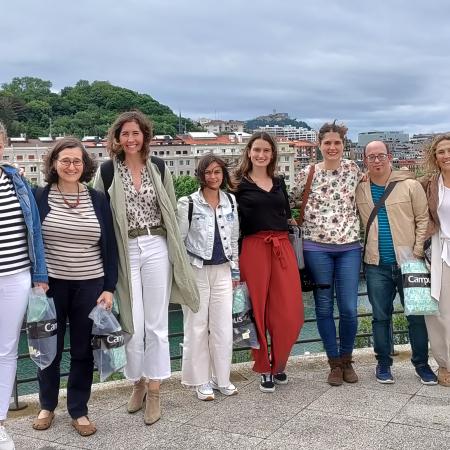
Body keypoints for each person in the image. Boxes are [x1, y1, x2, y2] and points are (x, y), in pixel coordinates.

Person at [93, 110, 199, 424]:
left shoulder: (160, 168)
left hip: (156, 244)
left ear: (145, 136)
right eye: (124, 134)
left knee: (156, 324)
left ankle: (154, 389)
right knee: (133, 323)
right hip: (125, 249)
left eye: (135, 133)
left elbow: (170, 208)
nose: (130, 139)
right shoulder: (108, 171)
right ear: (117, 138)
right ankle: (137, 381)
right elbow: (98, 214)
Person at [31, 137, 118, 436]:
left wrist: (110, 286)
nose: (71, 166)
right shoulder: (39, 196)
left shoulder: (97, 199)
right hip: (49, 286)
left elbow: (110, 246)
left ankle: (79, 410)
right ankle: (47, 405)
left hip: (90, 284)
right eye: (65, 160)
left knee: (82, 350)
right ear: (54, 163)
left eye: (77, 161)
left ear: (85, 165)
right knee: (47, 348)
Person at [356, 140, 437, 384]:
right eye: (371, 157)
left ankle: (422, 364)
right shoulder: (360, 188)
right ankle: (383, 363)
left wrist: (416, 251)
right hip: (375, 263)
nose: (377, 161)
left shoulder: (410, 185)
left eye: (381, 155)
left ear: (389, 156)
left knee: (416, 316)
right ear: (365, 159)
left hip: (410, 261)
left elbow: (423, 219)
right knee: (380, 316)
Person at [290, 121, 362, 386]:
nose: (332, 147)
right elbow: (290, 200)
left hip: (349, 247)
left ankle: (347, 359)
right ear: (319, 146)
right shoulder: (307, 172)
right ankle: (334, 363)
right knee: (323, 306)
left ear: (343, 145)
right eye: (327, 143)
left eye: (337, 143)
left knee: (349, 309)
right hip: (315, 247)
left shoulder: (353, 169)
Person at [234, 131, 304, 393]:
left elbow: (286, 214)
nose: (261, 155)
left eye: (266, 150)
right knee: (258, 310)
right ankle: (265, 367)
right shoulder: (237, 184)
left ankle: (280, 362)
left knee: (291, 312)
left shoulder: (279, 182)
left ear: (272, 154)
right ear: (249, 152)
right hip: (253, 248)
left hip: (282, 247)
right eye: (257, 150)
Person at [0, 122, 48, 450]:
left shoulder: (15, 179)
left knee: (5, 351)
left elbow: (34, 232)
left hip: (16, 275)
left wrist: (40, 276)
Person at [177, 154, 239, 401]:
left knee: (223, 326)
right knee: (196, 326)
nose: (213, 177)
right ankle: (200, 380)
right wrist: (182, 276)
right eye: (208, 172)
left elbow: (234, 238)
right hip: (196, 269)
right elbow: (180, 242)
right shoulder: (188, 203)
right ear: (200, 175)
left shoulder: (231, 201)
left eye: (217, 172)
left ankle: (222, 378)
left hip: (223, 269)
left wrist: (235, 271)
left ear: (223, 174)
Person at [420, 134, 450, 386]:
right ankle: (445, 364)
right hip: (441, 251)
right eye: (441, 151)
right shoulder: (430, 184)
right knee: (439, 311)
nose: (446, 155)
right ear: (435, 157)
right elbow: (400, 182)